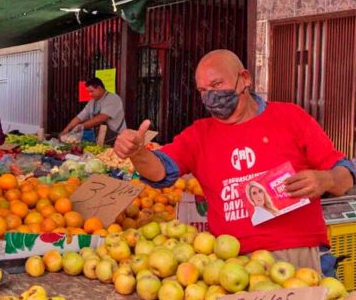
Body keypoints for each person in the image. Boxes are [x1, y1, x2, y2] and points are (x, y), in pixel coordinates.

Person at [114, 49, 355, 271]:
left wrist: (326, 179)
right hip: (232, 262)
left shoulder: (290, 117)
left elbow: (344, 174)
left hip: (299, 254)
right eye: (203, 90)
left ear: (245, 79)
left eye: (217, 84)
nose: (211, 96)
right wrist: (137, 153)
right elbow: (159, 172)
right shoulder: (199, 135)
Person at [60, 77, 126, 144]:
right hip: (101, 139)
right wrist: (66, 130)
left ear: (100, 88)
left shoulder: (113, 99)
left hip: (118, 139)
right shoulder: (92, 102)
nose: (90, 94)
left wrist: (81, 127)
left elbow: (102, 118)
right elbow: (80, 117)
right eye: (88, 92)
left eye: (91, 91)